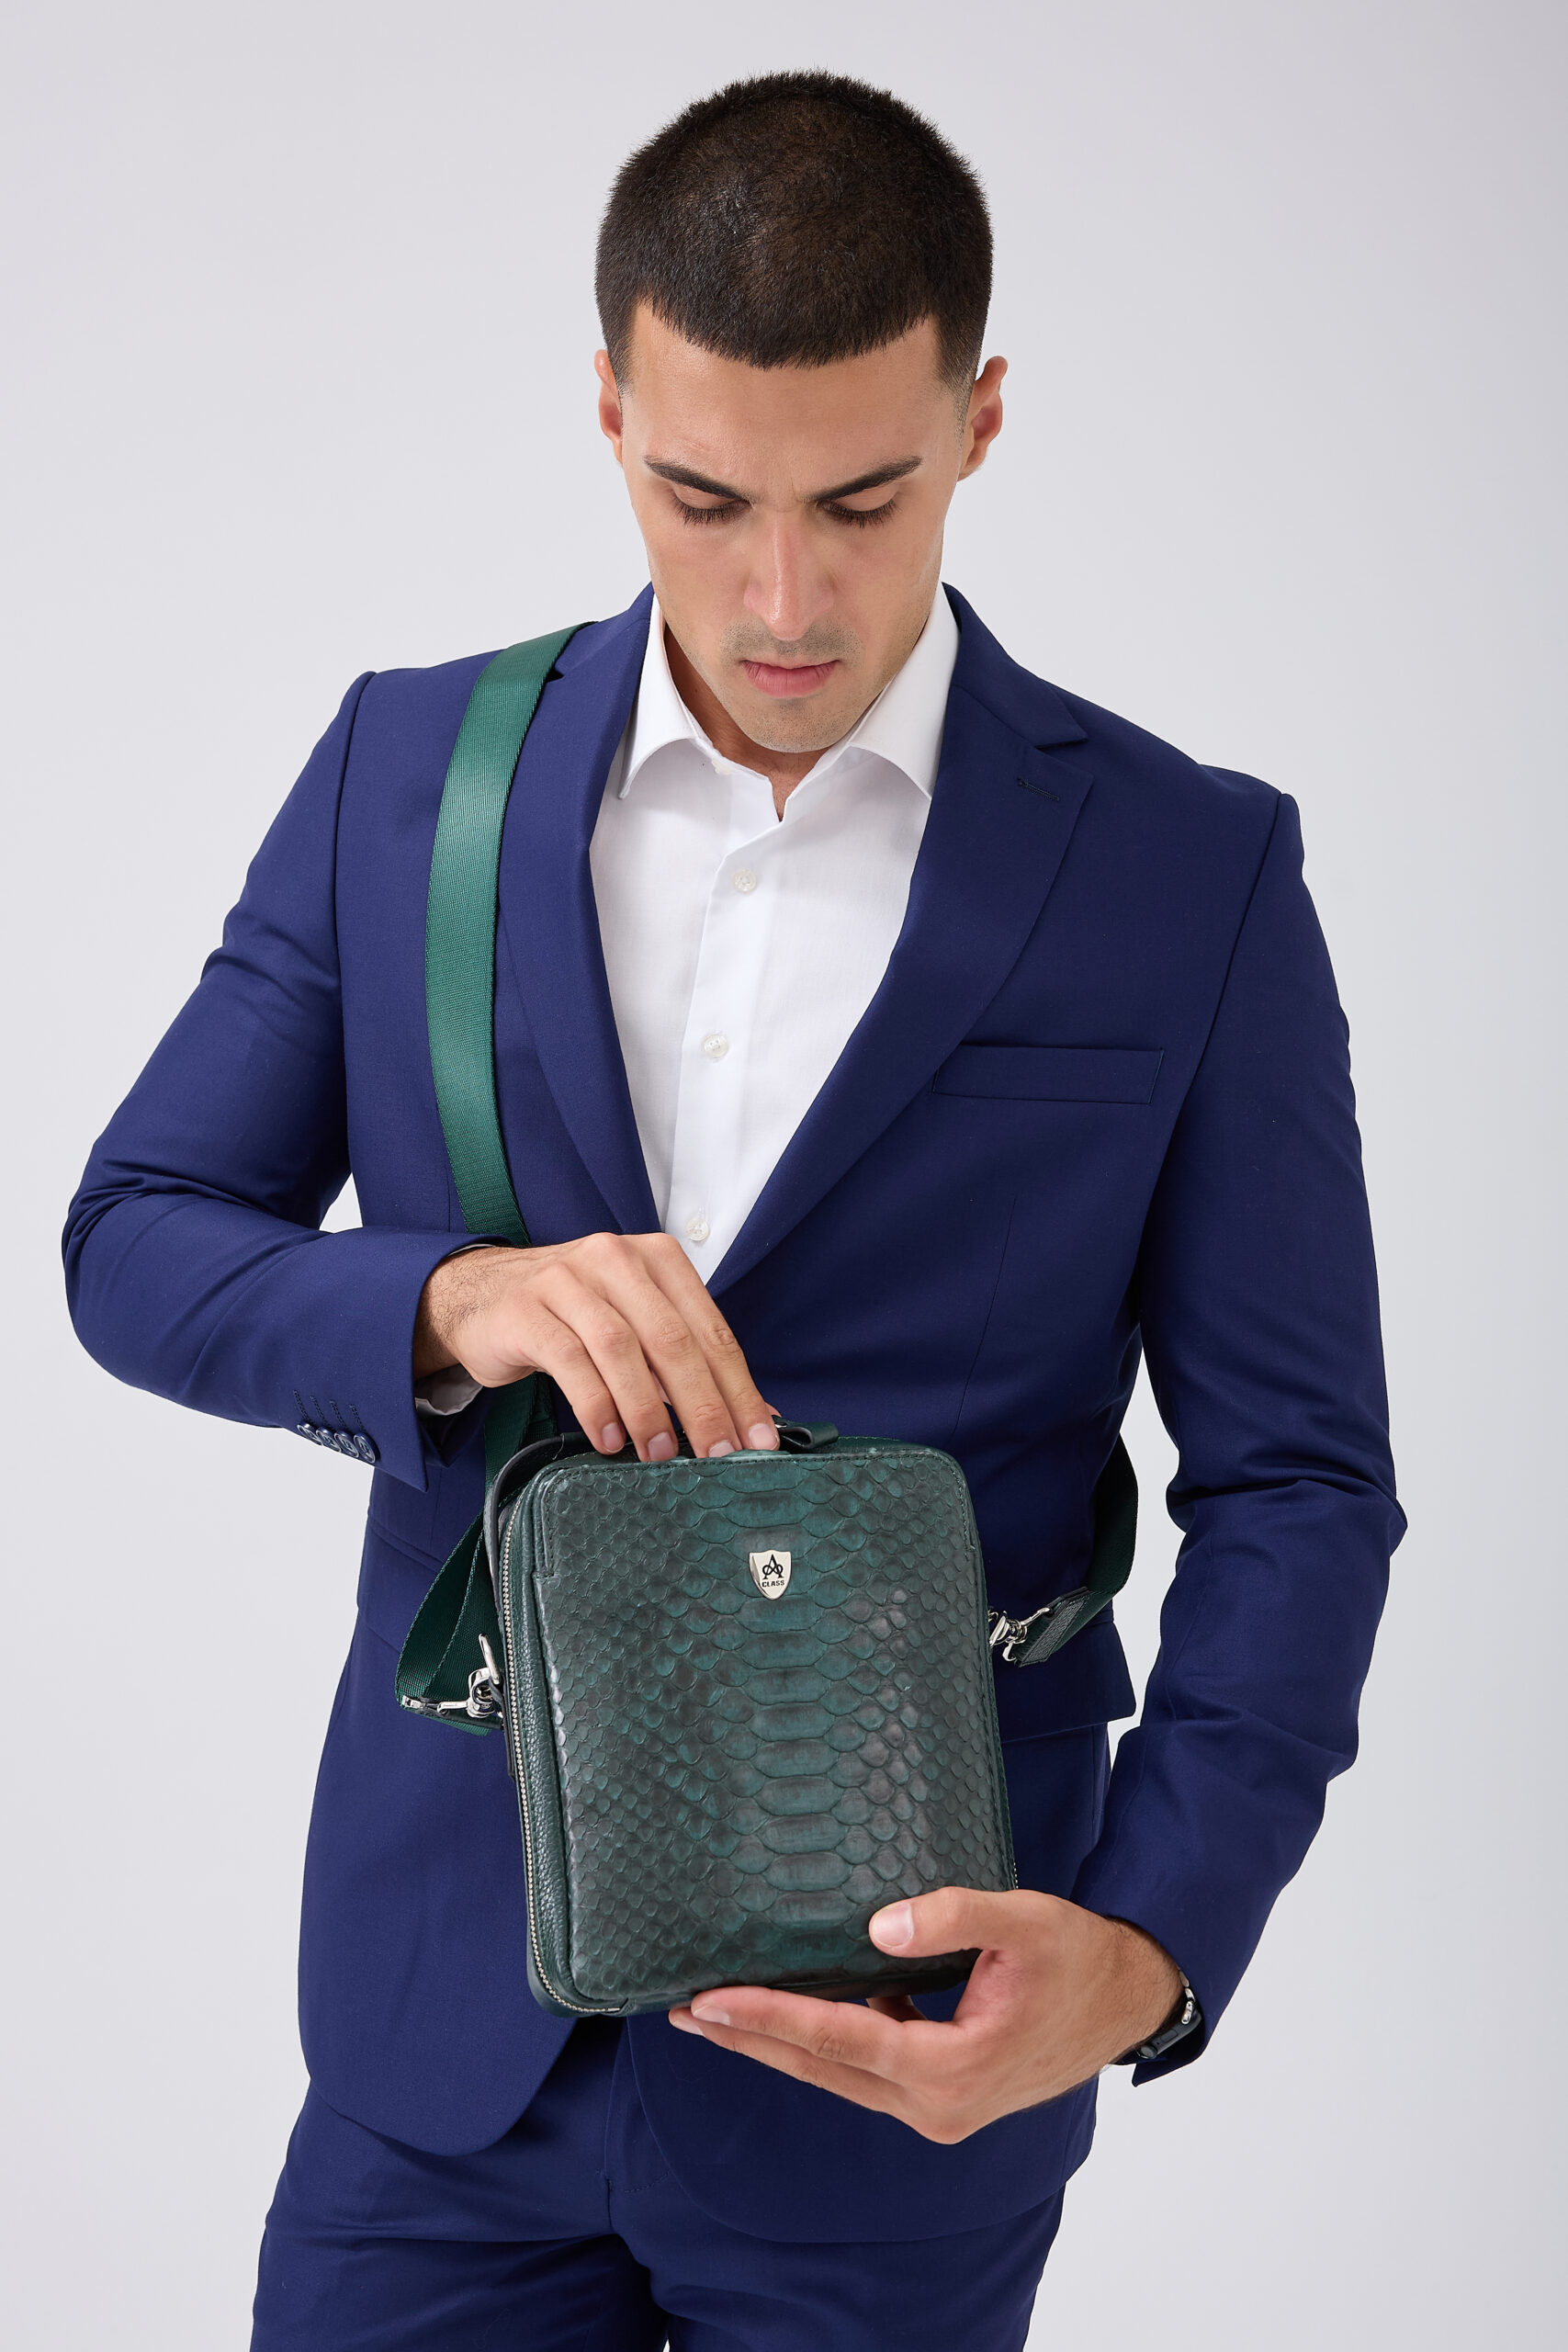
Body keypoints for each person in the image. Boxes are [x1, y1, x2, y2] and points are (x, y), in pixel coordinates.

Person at [63, 70, 1403, 2352]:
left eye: (861, 499)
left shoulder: (1190, 869)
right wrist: (446, 1300)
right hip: (435, 2031)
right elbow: (138, 1234)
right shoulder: (407, 771)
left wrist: (1154, 1941)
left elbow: (1297, 1480)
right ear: (609, 413)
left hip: (905, 2052)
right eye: (703, 497)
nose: (783, 596)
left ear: (978, 421)